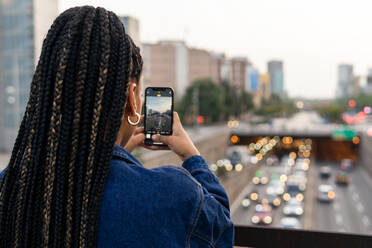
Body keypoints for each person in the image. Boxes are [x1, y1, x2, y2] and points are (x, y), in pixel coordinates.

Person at [0, 6, 234, 248]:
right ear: (132, 98)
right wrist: (191, 154)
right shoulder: (173, 192)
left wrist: (109, 159)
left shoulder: (8, 189)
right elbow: (221, 232)